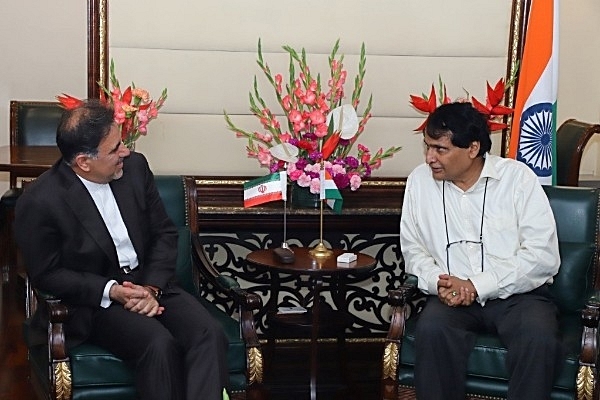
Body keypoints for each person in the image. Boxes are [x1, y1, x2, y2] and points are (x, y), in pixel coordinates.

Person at [15, 99, 229, 400]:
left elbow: (164, 233)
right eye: (115, 149)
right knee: (158, 343)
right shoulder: (40, 201)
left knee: (209, 334)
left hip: (153, 282)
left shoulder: (135, 168)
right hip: (97, 301)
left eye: (122, 142)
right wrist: (113, 290)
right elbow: (47, 274)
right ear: (84, 162)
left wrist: (151, 287)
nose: (125, 152)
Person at [400, 102, 563, 399]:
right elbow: (413, 249)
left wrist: (477, 285)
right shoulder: (419, 183)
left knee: (538, 337)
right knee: (432, 330)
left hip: (518, 296)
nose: (429, 158)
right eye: (427, 147)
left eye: (440, 149)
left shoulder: (517, 179)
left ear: (473, 148)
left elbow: (542, 256)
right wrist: (439, 281)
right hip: (449, 294)